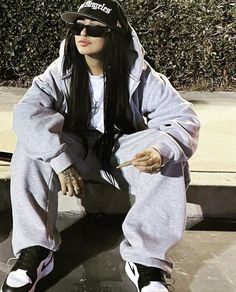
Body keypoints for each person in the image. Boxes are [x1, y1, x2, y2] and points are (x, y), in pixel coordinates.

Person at [1, 0, 200, 291]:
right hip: (76, 152)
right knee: (31, 146)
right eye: (77, 26)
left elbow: (182, 118)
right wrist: (60, 160)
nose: (82, 33)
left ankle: (146, 261)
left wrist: (160, 151)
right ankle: (35, 251)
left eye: (94, 29)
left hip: (120, 154)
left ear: (115, 36)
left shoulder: (140, 75)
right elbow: (27, 113)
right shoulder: (60, 71)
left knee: (171, 152)